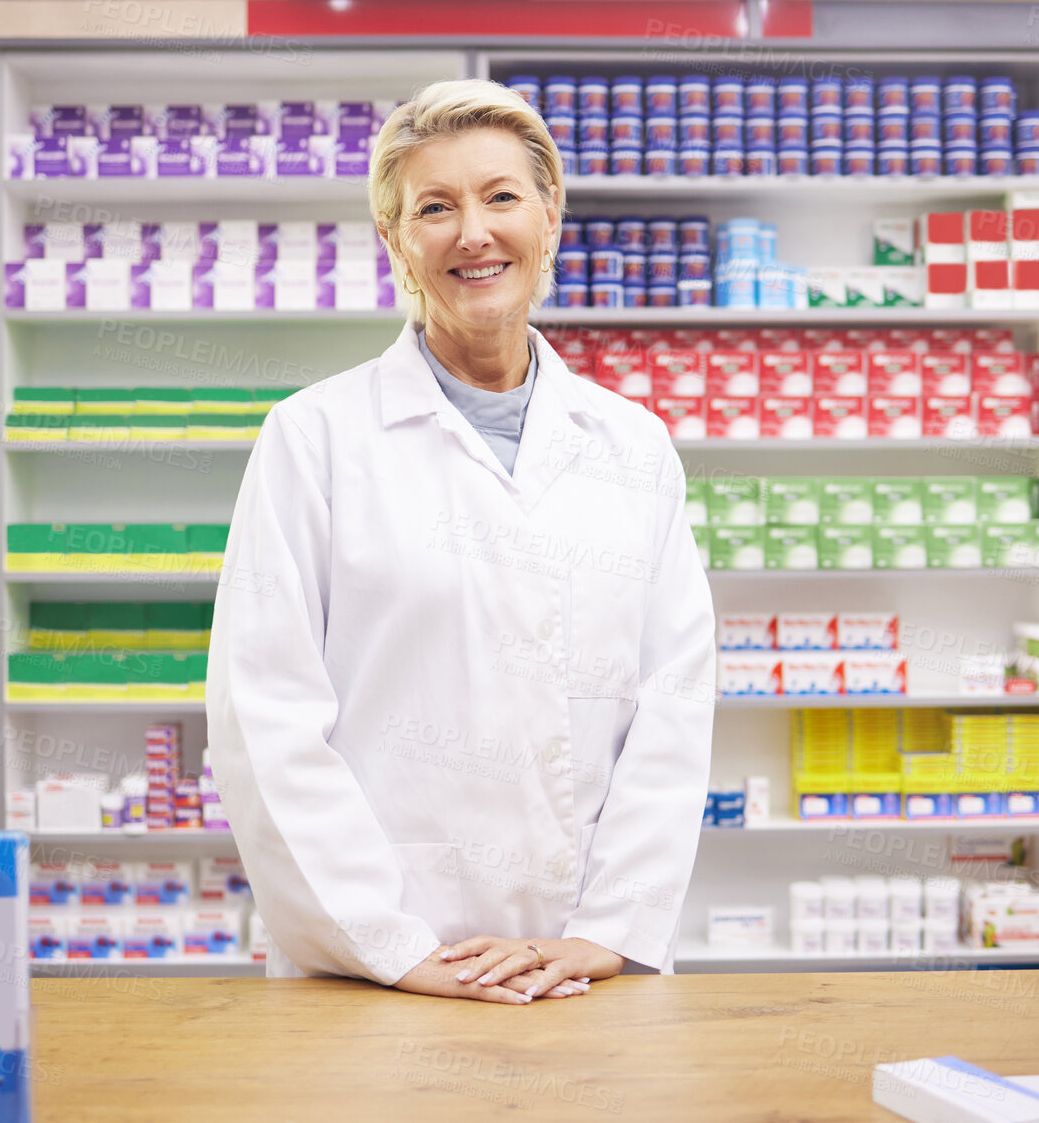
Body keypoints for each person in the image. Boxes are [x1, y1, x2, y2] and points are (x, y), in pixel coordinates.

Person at [208, 78, 715, 1005]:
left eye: (501, 196)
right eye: (434, 208)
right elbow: (264, 715)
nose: (472, 233)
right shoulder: (314, 437)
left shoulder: (632, 443)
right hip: (382, 969)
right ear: (397, 242)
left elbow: (674, 701)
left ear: (550, 215)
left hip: (589, 965)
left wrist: (610, 929)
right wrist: (386, 944)